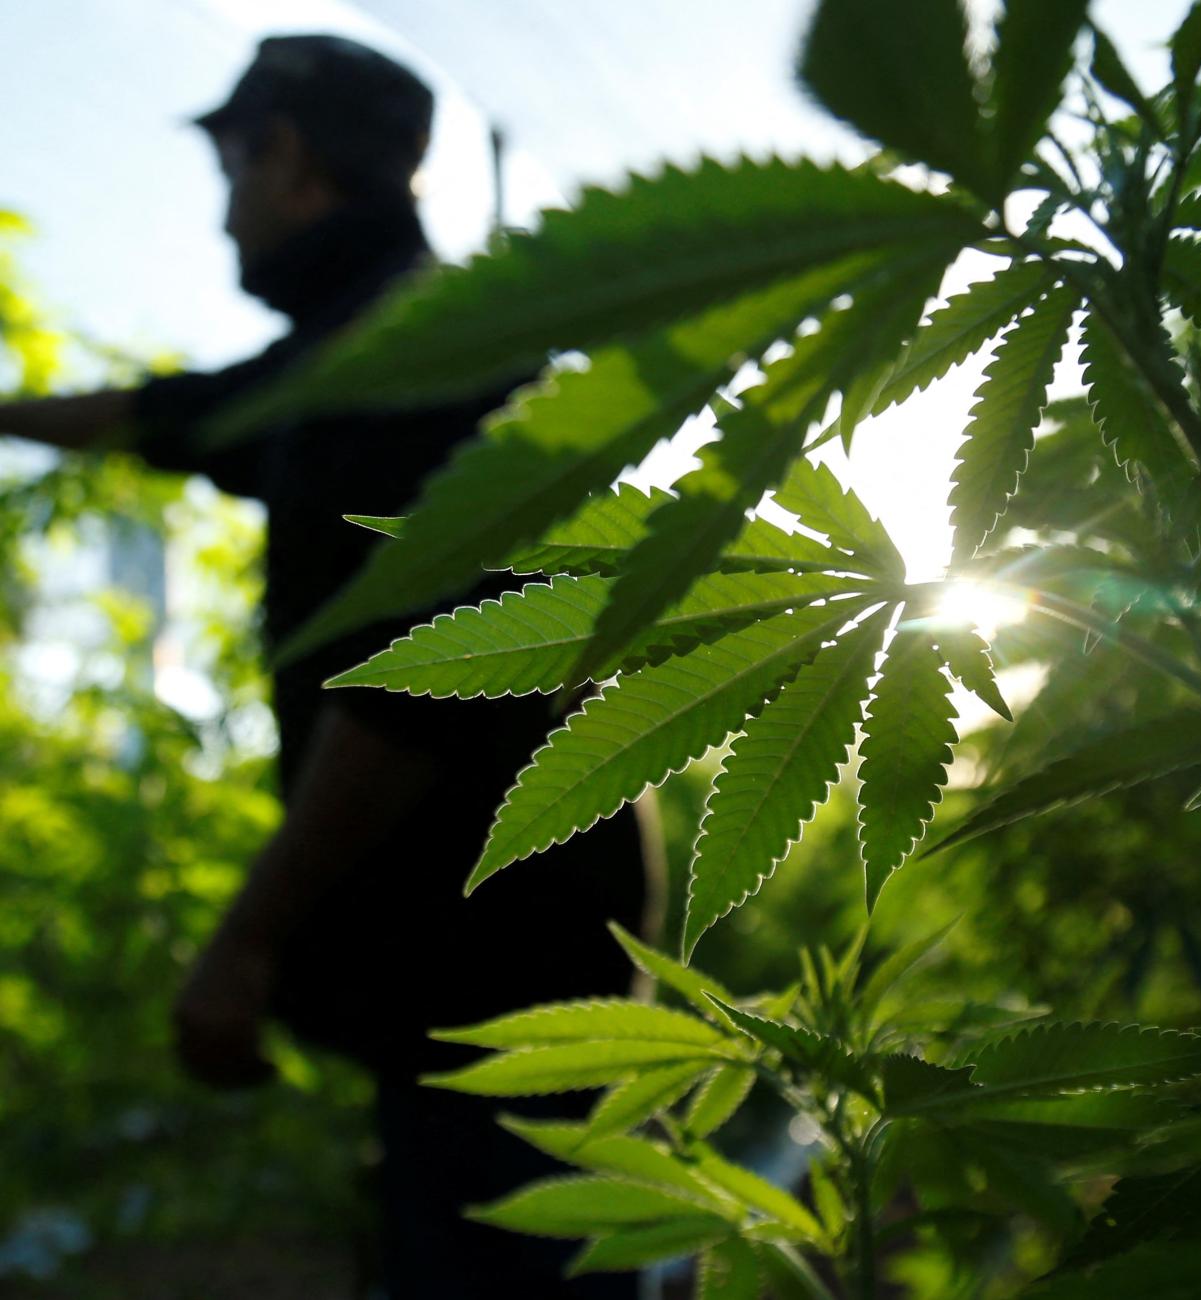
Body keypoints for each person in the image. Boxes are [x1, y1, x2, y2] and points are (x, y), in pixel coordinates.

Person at [0, 34, 645, 1298]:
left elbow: (410, 694)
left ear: (281, 156)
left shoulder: (416, 358)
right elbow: (169, 413)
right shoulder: (359, 349)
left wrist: (243, 942)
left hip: (501, 988)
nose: (222, 210)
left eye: (228, 167)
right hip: (492, 977)